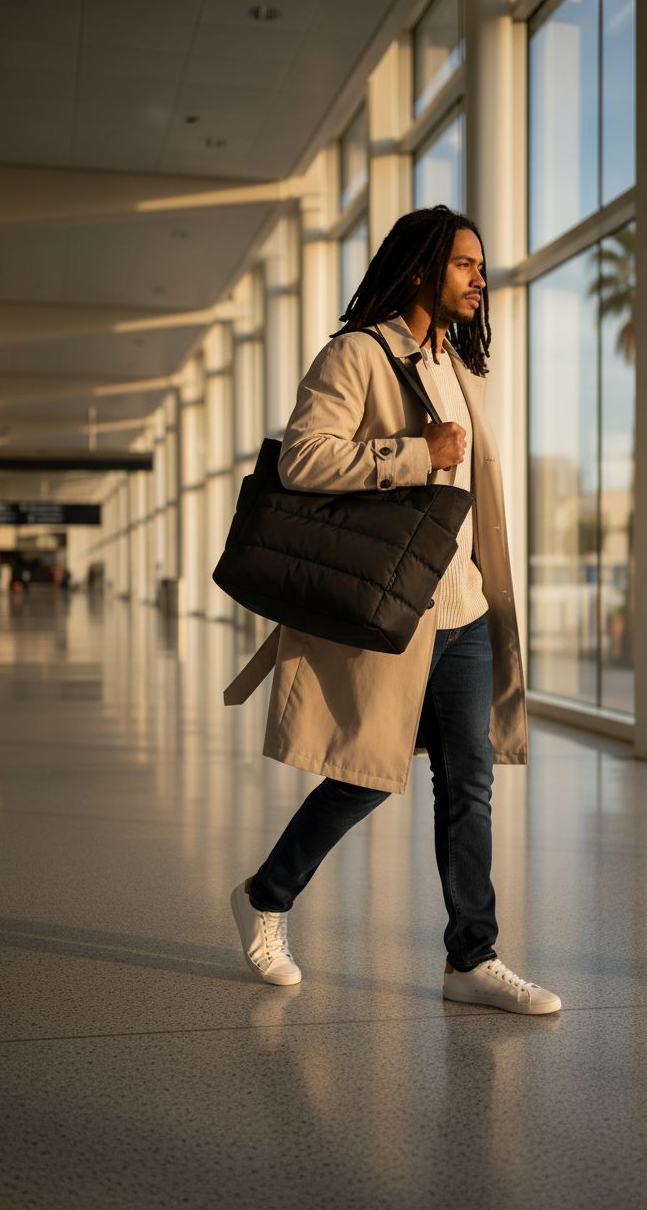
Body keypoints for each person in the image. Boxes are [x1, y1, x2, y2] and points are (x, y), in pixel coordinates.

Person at [227, 205, 561, 1016]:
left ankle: (471, 959)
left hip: (466, 610)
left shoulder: (460, 366)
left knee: (468, 785)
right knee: (364, 774)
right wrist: (417, 453)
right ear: (418, 270)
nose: (480, 279)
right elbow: (303, 458)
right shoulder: (356, 355)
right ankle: (265, 895)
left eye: (480, 266)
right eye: (464, 265)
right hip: (396, 611)